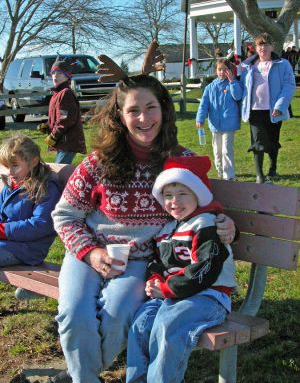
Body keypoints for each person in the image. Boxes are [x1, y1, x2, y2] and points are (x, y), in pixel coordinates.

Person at [50, 42, 237, 383]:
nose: (143, 118)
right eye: (133, 110)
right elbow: (65, 216)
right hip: (88, 254)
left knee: (118, 315)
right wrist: (91, 253)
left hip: (141, 263)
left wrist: (224, 222)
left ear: (163, 110)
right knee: (73, 314)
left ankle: (82, 373)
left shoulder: (181, 160)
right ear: (119, 116)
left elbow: (205, 206)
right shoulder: (98, 162)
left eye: (151, 108)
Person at [126, 155, 236, 383]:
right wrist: (155, 278)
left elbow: (207, 270)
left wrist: (168, 289)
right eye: (168, 196)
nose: (174, 201)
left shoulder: (207, 225)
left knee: (169, 324)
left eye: (182, 194)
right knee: (141, 323)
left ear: (198, 195)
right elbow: (159, 261)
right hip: (172, 296)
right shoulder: (167, 228)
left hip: (208, 296)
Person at [0, 134, 62, 299]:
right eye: (6, 166)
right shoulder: (11, 184)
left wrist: (3, 230)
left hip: (29, 250)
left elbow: (41, 224)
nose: (10, 172)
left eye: (15, 166)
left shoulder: (46, 187)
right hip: (9, 243)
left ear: (33, 162)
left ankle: (35, 287)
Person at [240, 33, 296, 183]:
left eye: (265, 45)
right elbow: (242, 88)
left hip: (274, 110)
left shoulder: (282, 64)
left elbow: (289, 86)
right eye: (259, 45)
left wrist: (280, 106)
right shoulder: (247, 65)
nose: (262, 48)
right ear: (256, 48)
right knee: (258, 143)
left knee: (272, 141)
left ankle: (273, 168)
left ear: (272, 47)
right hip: (254, 110)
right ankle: (260, 175)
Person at [196, 59, 242, 180]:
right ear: (216, 71)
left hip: (229, 124)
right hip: (215, 124)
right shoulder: (210, 88)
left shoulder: (233, 83)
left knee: (226, 150)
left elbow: (238, 96)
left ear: (229, 70)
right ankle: (220, 171)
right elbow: (204, 105)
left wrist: (232, 82)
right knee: (217, 150)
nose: (222, 72)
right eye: (219, 69)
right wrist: (200, 118)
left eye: (225, 69)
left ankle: (229, 176)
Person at [38, 57, 86, 164]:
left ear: (67, 76)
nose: (55, 76)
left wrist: (54, 135)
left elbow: (66, 119)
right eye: (53, 73)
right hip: (63, 141)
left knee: (59, 172)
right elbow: (58, 116)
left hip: (68, 141)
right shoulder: (57, 94)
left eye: (59, 73)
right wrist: (47, 125)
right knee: (61, 171)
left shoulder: (66, 93)